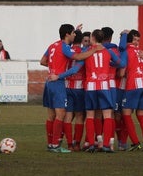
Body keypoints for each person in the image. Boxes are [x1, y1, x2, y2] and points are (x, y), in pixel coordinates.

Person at [40, 24, 102, 153]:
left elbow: (43, 61)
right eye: (73, 33)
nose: (75, 34)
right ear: (67, 34)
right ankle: (56, 145)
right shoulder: (65, 47)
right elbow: (78, 58)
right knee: (61, 114)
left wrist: (54, 68)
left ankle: (51, 144)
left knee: (51, 115)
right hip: (58, 82)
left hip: (49, 82)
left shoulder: (53, 45)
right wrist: (94, 50)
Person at [83, 29, 125, 153]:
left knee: (90, 116)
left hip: (90, 85)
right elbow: (121, 63)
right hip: (104, 86)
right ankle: (107, 145)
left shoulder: (87, 51)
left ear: (93, 38)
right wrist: (110, 63)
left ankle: (91, 144)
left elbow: (78, 64)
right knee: (107, 115)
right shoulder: (108, 51)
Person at [120, 29, 143, 151]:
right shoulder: (141, 52)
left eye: (138, 40)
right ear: (131, 40)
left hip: (133, 85)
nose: (136, 42)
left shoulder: (125, 51)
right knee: (141, 115)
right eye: (135, 40)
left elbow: (122, 71)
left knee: (126, 114)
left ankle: (135, 143)